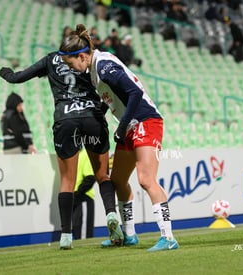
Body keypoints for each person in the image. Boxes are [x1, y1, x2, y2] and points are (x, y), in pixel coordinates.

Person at [59, 24, 180, 252]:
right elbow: (112, 99)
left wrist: (122, 126)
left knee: (146, 179)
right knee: (118, 180)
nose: (71, 68)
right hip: (129, 125)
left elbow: (134, 93)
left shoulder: (103, 66)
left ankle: (168, 237)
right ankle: (130, 235)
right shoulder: (94, 69)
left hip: (146, 121)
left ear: (82, 56)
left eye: (71, 63)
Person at [0, 44, 123, 249]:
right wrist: (100, 111)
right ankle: (111, 213)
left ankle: (66, 236)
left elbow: (18, 78)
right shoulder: (87, 58)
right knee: (103, 176)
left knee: (67, 181)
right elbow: (109, 88)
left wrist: (8, 74)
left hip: (66, 120)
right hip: (92, 118)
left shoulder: (51, 59)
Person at [72, 148, 96, 240]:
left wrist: (77, 194)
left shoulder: (85, 154)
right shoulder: (72, 156)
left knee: (84, 236)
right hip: (75, 198)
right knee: (77, 232)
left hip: (83, 199)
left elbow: (90, 178)